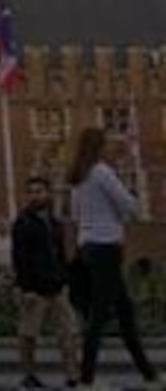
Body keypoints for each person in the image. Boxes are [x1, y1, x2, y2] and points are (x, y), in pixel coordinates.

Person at [66, 126, 164, 390]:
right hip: (106, 248)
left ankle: (150, 376)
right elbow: (130, 206)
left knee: (125, 314)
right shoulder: (102, 173)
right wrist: (129, 189)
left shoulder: (79, 176)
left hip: (88, 247)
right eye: (109, 144)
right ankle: (86, 381)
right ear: (99, 147)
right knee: (98, 318)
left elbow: (76, 215)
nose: (113, 148)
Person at [11, 175, 81, 389]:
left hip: (57, 286)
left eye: (39, 191)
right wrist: (25, 288)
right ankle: (29, 376)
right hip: (35, 289)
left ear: (47, 194)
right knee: (29, 335)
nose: (34, 195)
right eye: (31, 191)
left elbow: (60, 253)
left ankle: (72, 375)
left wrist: (65, 278)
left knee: (69, 334)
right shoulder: (23, 223)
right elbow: (19, 257)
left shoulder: (54, 223)